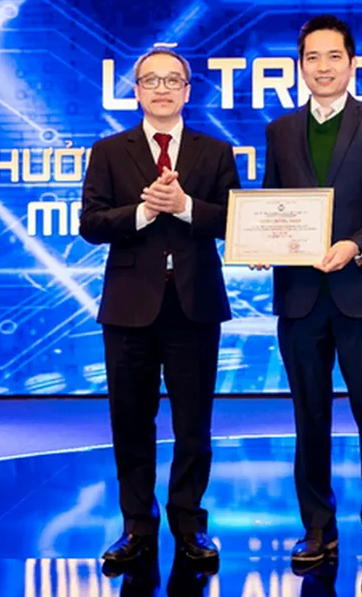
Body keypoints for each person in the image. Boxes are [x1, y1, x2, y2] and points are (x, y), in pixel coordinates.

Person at [260, 15, 362, 566]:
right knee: (309, 417)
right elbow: (271, 203)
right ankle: (317, 527)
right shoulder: (280, 131)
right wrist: (262, 242)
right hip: (300, 297)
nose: (322, 67)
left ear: (352, 64)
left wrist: (356, 245)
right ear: (300, 66)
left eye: (333, 57)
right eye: (312, 57)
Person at [79, 47, 241, 565]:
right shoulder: (109, 151)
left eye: (173, 80)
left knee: (194, 424)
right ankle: (136, 528)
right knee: (131, 422)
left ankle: (190, 525)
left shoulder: (214, 152)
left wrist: (186, 206)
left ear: (188, 91)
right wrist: (145, 211)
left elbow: (234, 220)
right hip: (129, 307)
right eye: (152, 80)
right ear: (137, 92)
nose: (163, 88)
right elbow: (91, 224)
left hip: (195, 305)